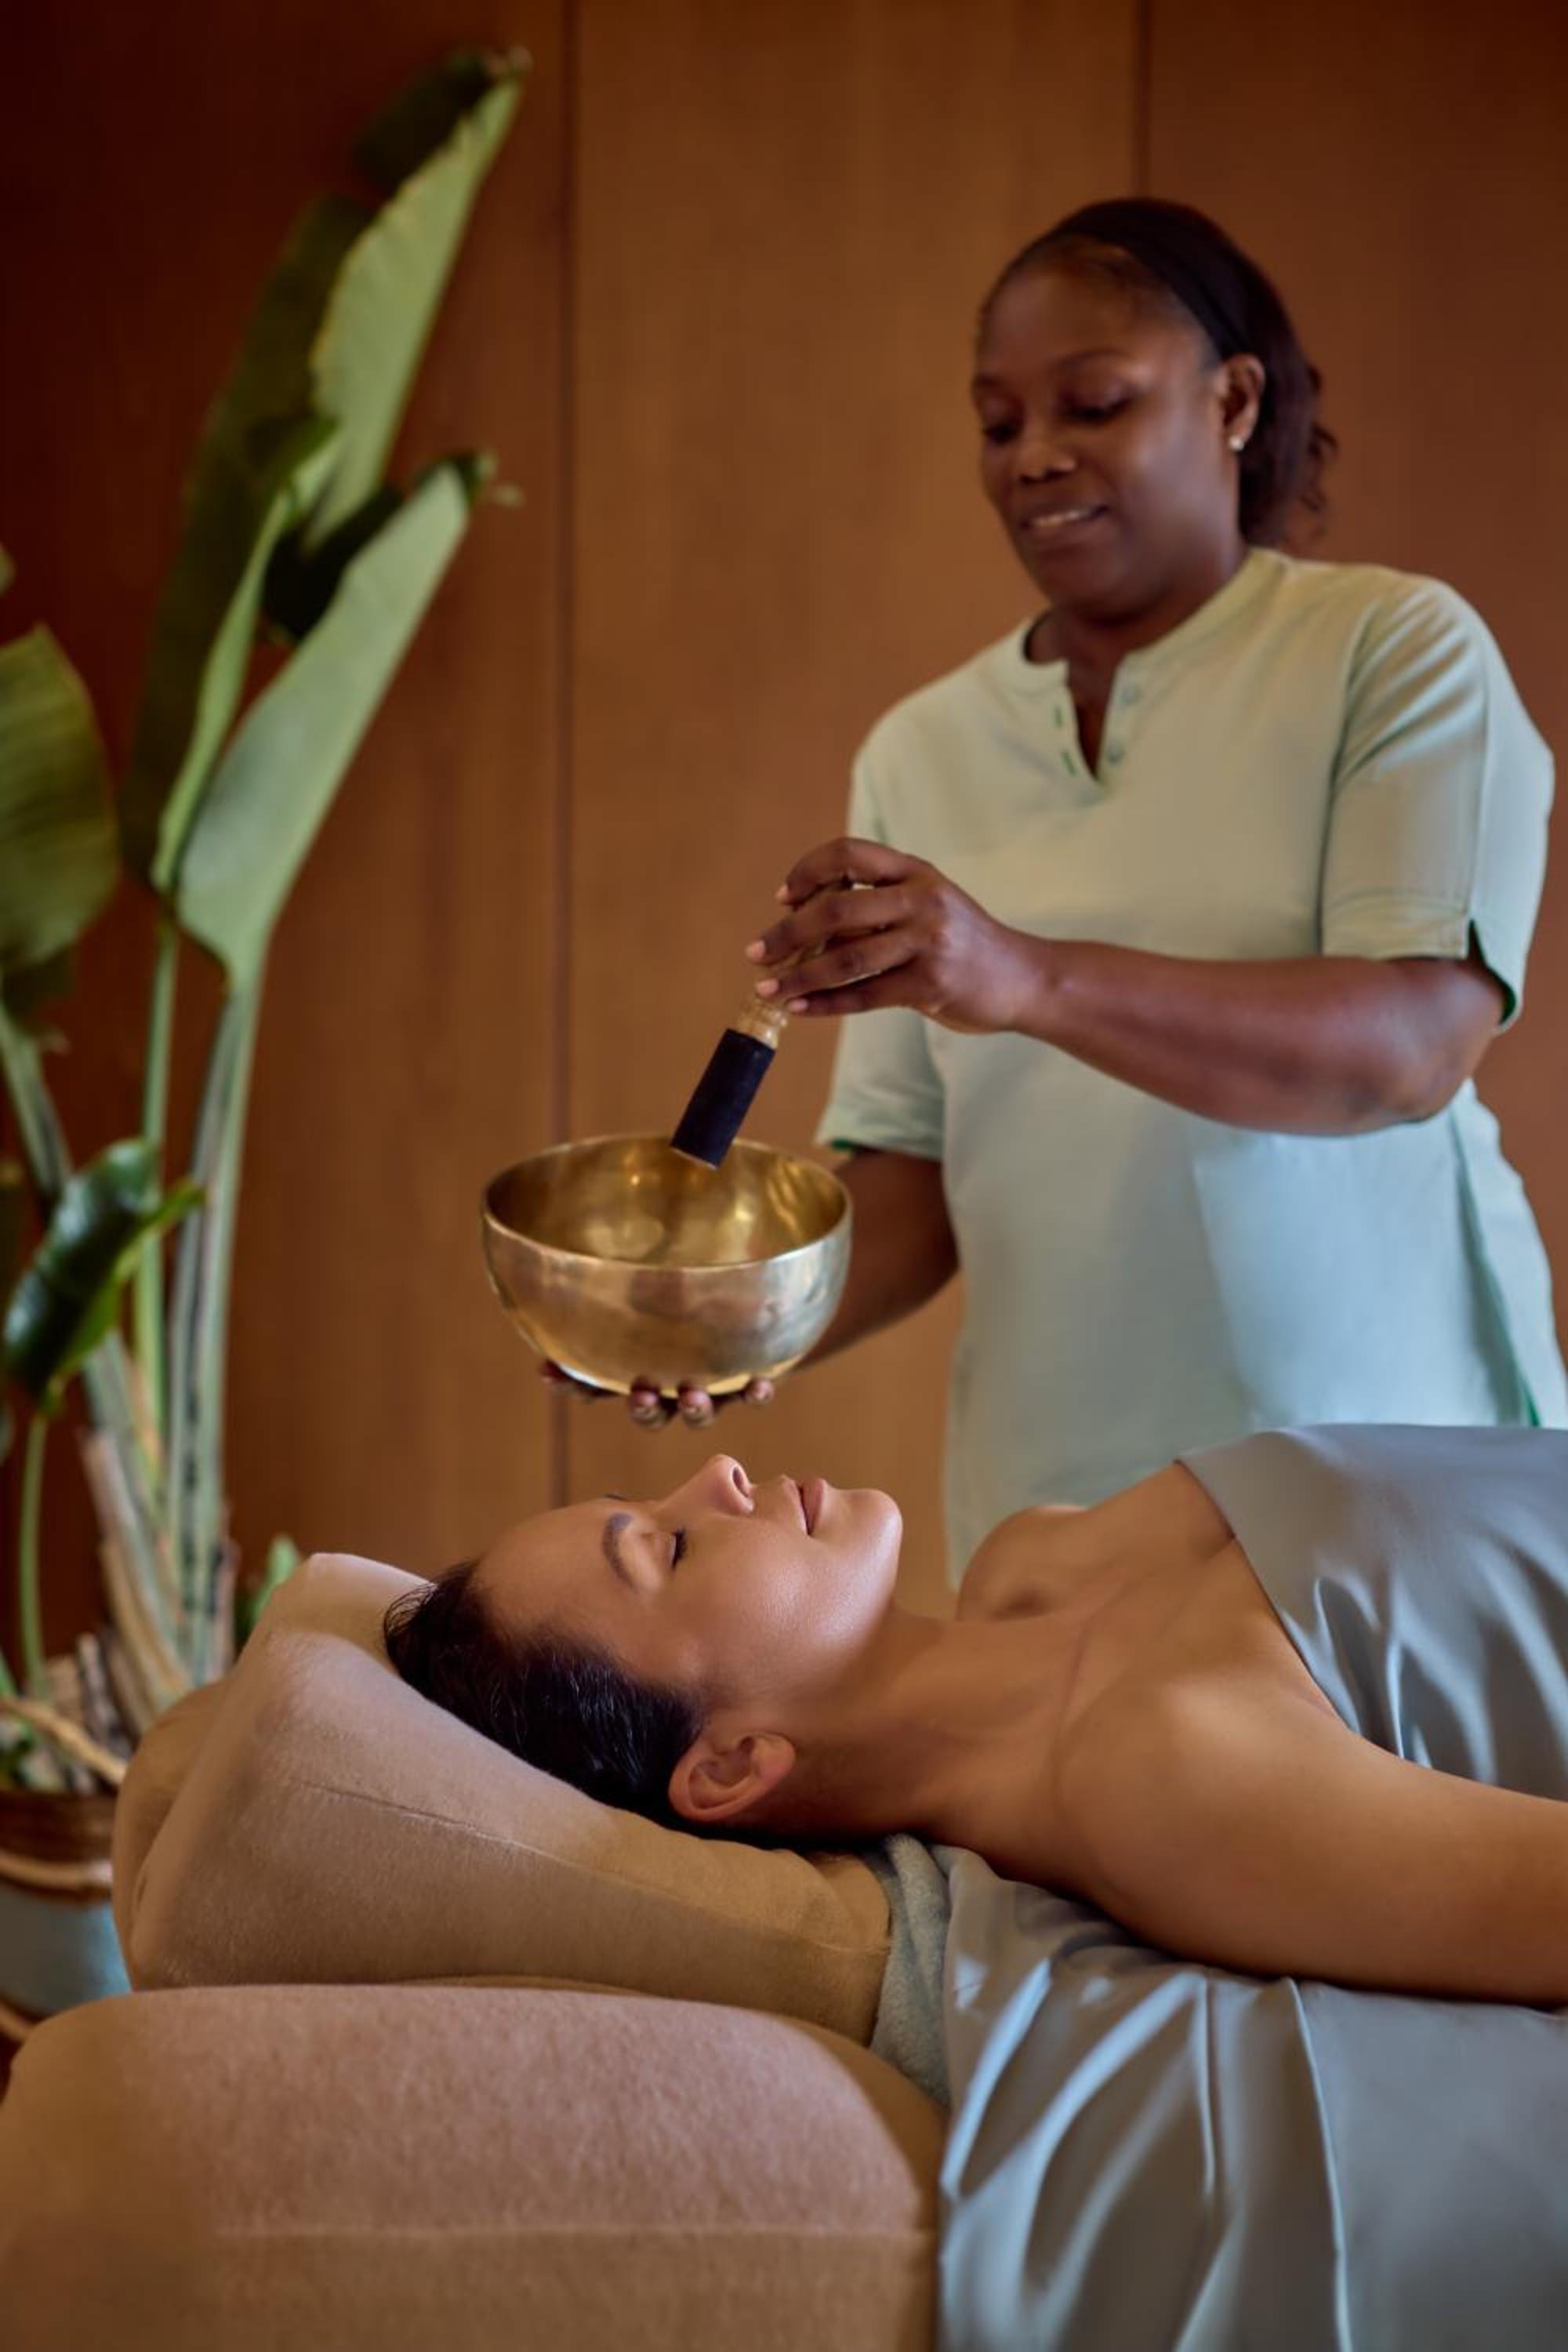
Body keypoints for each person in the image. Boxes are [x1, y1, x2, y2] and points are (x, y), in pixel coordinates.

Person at [559, 197, 1565, 1579]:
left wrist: (1023, 976)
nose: (1035, 456)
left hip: (1386, 1485)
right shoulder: (922, 747)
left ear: (1233, 402)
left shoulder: (1392, 651)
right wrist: (719, 1322)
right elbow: (915, 1178)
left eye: (1093, 405)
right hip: (1062, 1516)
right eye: (998, 423)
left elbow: (1410, 1051)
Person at [387, 1433, 1568, 2006]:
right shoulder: (1166, 1784)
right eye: (673, 1546)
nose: (721, 1471)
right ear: (733, 1765)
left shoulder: (1035, 1559)